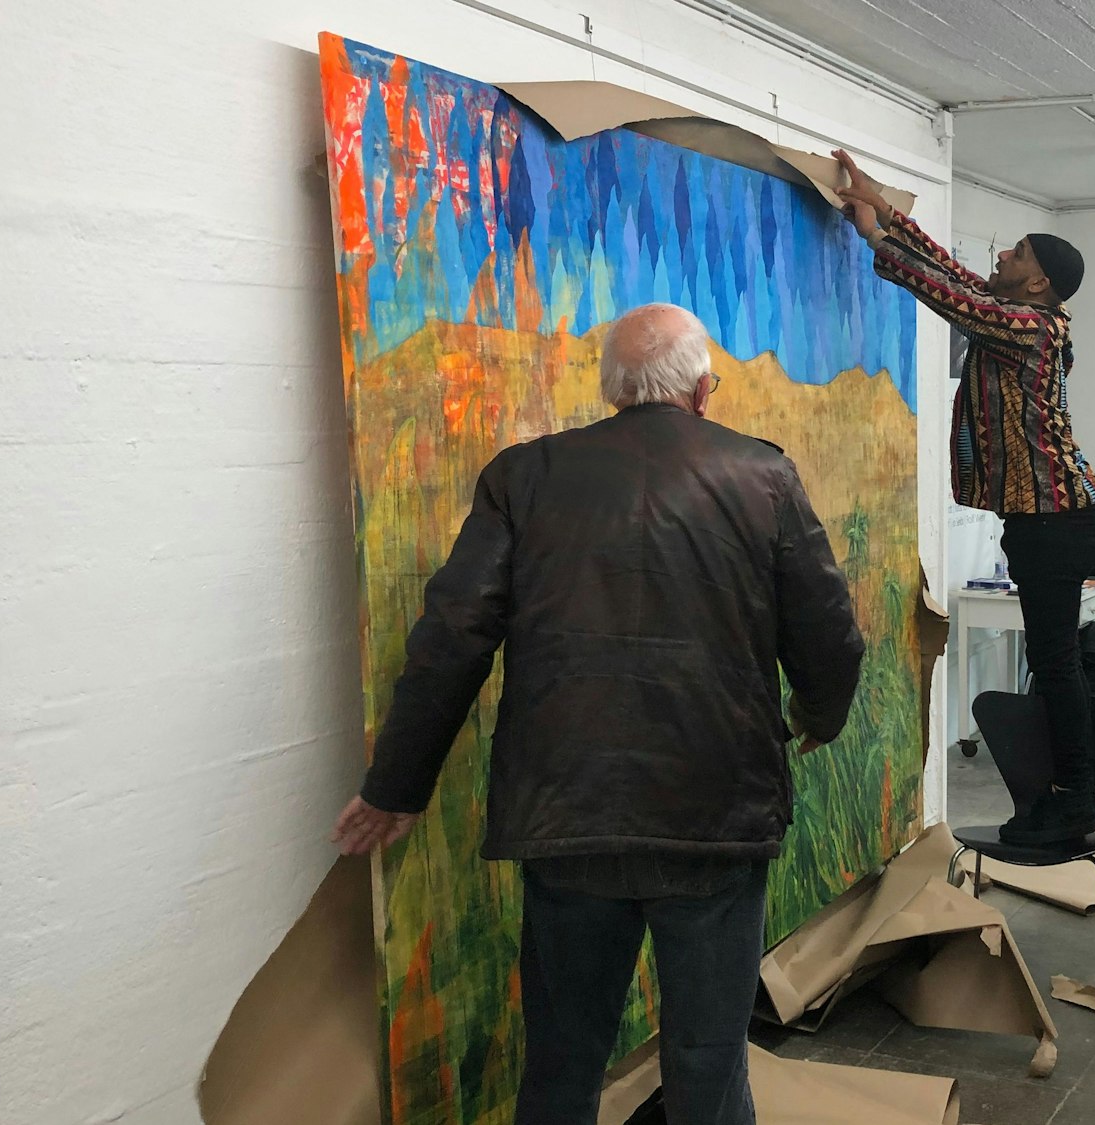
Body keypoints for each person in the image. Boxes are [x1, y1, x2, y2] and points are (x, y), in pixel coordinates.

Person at [329, 303, 866, 1125]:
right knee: (709, 1064)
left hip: (567, 815)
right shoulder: (763, 477)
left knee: (562, 1062)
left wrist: (397, 785)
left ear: (613, 389)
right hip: (715, 816)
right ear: (703, 391)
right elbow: (831, 633)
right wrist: (817, 716)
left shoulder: (524, 477)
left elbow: (452, 637)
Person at [832, 150, 1095, 846]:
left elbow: (951, 296)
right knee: (1051, 662)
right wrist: (884, 207)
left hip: (1057, 517)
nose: (1001, 257)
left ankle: (1076, 798)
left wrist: (874, 238)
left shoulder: (1032, 326)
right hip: (1041, 517)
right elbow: (959, 277)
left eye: (1014, 254)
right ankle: (1053, 795)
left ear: (1039, 280)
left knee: (1055, 662)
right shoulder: (1017, 311)